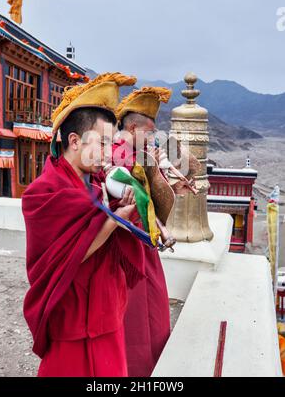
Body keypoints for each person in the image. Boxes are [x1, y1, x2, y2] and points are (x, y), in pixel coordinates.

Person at [22, 73, 145, 377]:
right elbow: (72, 254)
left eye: (110, 143)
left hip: (107, 315)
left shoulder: (100, 182)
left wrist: (130, 208)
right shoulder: (42, 193)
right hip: (72, 324)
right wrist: (115, 220)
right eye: (102, 143)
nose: (107, 152)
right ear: (74, 141)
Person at [112, 86, 201, 377]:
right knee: (136, 325)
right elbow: (131, 200)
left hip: (144, 246)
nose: (154, 137)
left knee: (154, 316)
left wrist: (165, 175)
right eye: (150, 132)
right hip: (125, 250)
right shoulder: (118, 154)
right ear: (133, 127)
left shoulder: (140, 153)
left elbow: (159, 191)